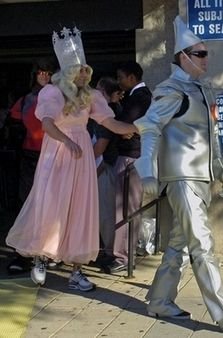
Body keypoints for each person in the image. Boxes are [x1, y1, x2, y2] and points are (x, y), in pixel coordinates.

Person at [133, 16, 223, 330]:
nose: (206, 58)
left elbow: (212, 137)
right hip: (182, 178)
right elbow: (149, 127)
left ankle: (159, 301)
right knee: (201, 243)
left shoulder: (201, 90)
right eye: (199, 54)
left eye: (206, 52)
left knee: (181, 245)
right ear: (182, 58)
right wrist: (147, 171)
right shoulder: (172, 90)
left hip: (200, 178)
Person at [6, 27, 137, 291]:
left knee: (81, 210)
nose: (83, 74)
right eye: (79, 70)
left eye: (85, 70)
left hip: (81, 159)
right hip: (57, 156)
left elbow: (108, 121)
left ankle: (76, 270)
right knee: (51, 206)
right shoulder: (53, 93)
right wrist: (65, 140)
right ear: (67, 72)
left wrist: (136, 127)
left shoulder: (91, 96)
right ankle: (41, 258)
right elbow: (47, 124)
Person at [6, 58, 56, 274]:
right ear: (34, 75)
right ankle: (23, 252)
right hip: (30, 156)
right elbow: (13, 122)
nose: (43, 75)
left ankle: (46, 251)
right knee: (26, 203)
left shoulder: (60, 97)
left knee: (51, 206)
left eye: (47, 72)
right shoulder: (25, 100)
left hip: (53, 157)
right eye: (40, 72)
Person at [104, 61, 152, 273]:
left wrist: (116, 113)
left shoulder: (140, 98)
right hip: (132, 155)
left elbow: (122, 123)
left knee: (126, 209)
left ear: (132, 78)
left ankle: (123, 257)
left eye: (121, 77)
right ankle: (125, 254)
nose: (119, 81)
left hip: (131, 157)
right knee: (126, 208)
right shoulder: (137, 97)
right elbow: (123, 127)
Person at [93, 76, 123, 265]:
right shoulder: (112, 110)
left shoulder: (108, 113)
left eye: (97, 89)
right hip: (105, 165)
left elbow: (101, 146)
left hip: (103, 167)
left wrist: (86, 168)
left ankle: (109, 252)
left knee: (105, 213)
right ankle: (106, 249)